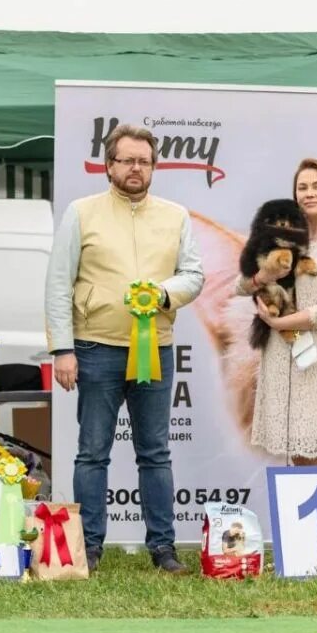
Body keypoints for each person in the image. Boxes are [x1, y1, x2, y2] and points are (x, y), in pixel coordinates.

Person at [44, 123, 204, 574]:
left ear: (154, 167)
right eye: (127, 160)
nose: (136, 168)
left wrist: (163, 294)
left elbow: (194, 274)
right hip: (93, 349)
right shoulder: (80, 212)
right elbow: (59, 284)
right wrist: (62, 349)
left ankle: (164, 549)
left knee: (155, 451)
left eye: (144, 161)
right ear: (109, 166)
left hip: (155, 349)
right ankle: (89, 547)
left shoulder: (176, 215)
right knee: (92, 451)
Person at [236, 158, 317, 465]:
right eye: (302, 187)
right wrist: (261, 278)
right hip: (279, 355)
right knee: (294, 454)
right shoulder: (284, 235)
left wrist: (279, 322)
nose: (309, 193)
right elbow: (241, 285)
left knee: (312, 449)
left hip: (314, 356)